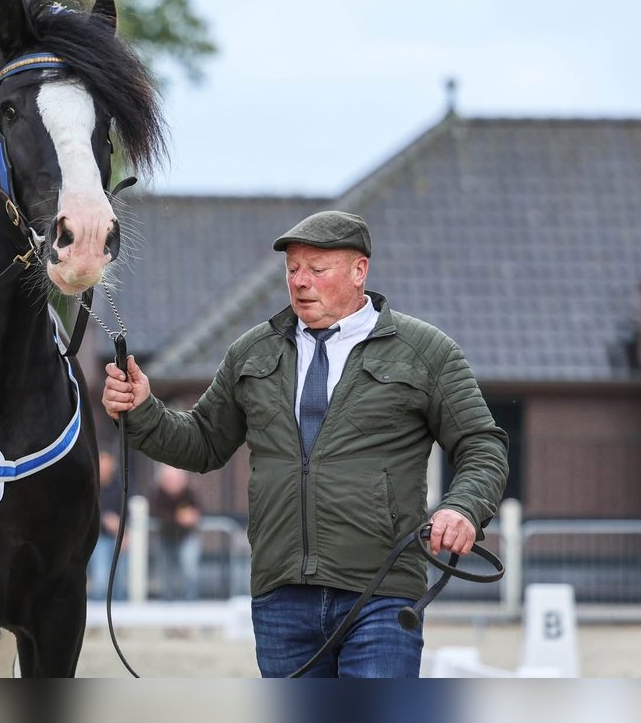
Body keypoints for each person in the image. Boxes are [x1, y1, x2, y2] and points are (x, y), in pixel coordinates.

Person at [102, 210, 508, 678]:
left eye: (317, 269)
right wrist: (142, 409)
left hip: (381, 593)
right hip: (281, 598)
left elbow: (483, 446)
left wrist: (462, 507)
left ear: (359, 271)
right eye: (293, 269)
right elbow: (202, 442)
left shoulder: (426, 352)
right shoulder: (251, 352)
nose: (300, 281)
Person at [147, 465, 202, 601]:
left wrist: (192, 516)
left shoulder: (189, 492)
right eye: (170, 480)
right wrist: (177, 517)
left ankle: (191, 601)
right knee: (166, 572)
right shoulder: (158, 494)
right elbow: (155, 512)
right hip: (165, 537)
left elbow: (199, 510)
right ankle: (167, 602)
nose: (173, 483)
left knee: (190, 569)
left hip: (187, 536)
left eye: (176, 479)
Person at [87, 447, 129, 601]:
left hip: (119, 537)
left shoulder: (121, 486)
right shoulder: (90, 487)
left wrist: (125, 533)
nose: (105, 469)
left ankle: (120, 613)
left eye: (108, 465)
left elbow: (128, 511)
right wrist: (105, 518)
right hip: (98, 537)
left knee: (120, 582)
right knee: (100, 581)